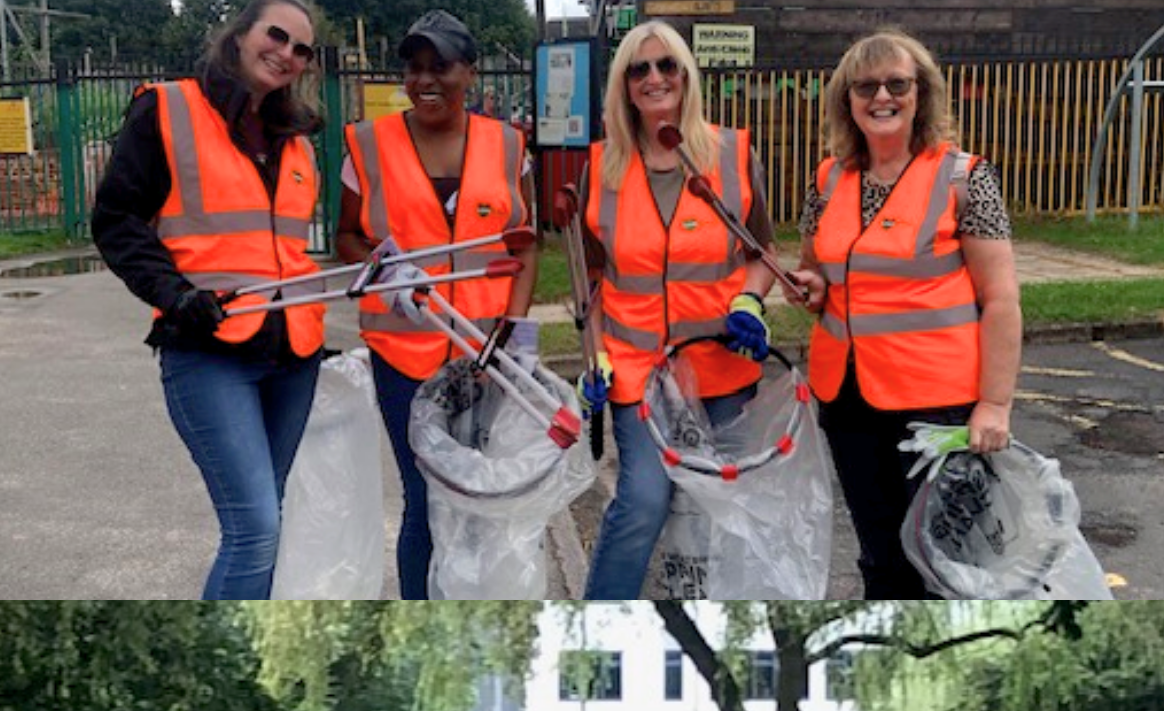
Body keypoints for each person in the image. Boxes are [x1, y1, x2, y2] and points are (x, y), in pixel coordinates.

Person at [92, 0, 325, 599]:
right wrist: (174, 295)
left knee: (269, 519)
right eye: (277, 36)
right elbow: (117, 220)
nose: (288, 55)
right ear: (241, 34)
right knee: (255, 529)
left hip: (292, 355)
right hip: (207, 349)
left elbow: (284, 250)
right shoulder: (167, 110)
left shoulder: (293, 140)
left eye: (302, 49)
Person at [789, 28, 1022, 599]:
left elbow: (1001, 298)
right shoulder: (829, 179)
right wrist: (811, 287)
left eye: (897, 83)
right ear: (847, 99)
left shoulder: (965, 178)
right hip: (847, 400)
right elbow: (818, 270)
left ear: (922, 94)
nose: (882, 97)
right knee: (881, 555)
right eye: (865, 86)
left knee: (944, 561)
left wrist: (994, 403)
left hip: (936, 405)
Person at [335, 10, 537, 599]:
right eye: (414, 67)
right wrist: (387, 271)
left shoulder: (506, 147)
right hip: (403, 354)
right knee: (424, 495)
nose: (424, 80)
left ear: (469, 74)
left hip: (485, 354)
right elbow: (348, 234)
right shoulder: (368, 145)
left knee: (475, 493)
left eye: (440, 67)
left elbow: (525, 242)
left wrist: (518, 330)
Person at [579, 20, 779, 600]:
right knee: (643, 499)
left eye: (667, 65)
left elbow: (763, 255)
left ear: (687, 77)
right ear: (623, 86)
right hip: (639, 374)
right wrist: (594, 357)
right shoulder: (602, 168)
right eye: (638, 69)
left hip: (720, 369)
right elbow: (592, 280)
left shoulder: (732, 155)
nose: (654, 78)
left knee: (722, 505)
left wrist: (750, 299)